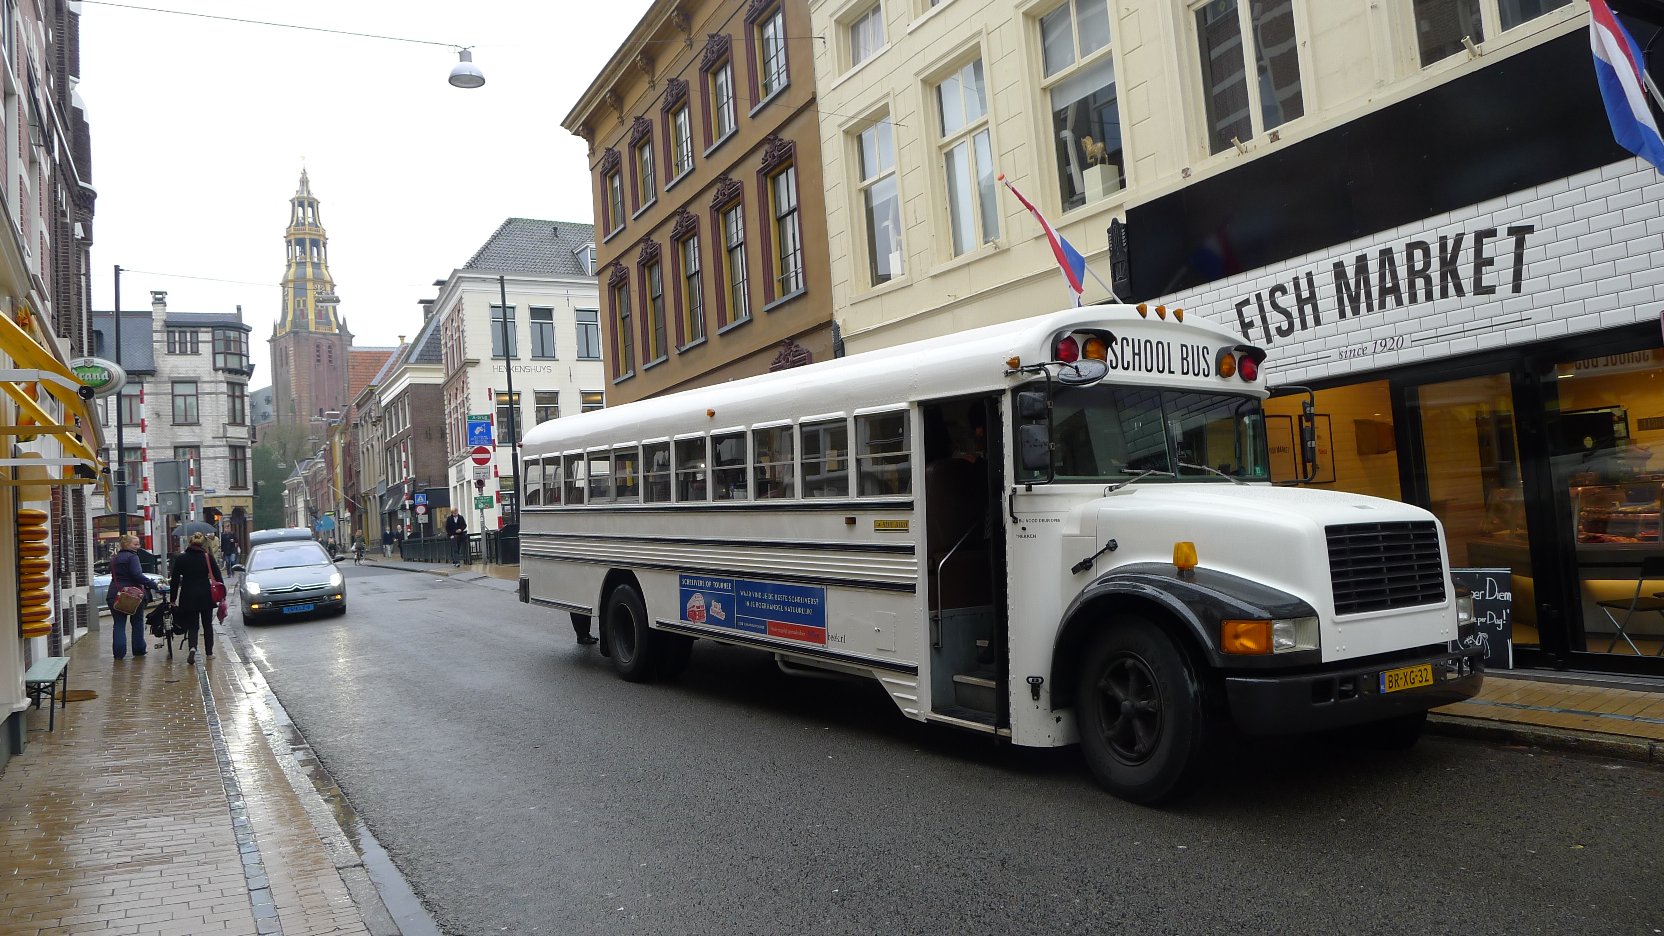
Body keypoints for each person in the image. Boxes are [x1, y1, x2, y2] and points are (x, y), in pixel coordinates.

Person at [169, 532, 223, 665]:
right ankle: (209, 653)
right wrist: (222, 595)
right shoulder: (207, 557)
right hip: (205, 594)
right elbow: (218, 576)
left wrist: (173, 599)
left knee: (192, 625)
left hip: (188, 596)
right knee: (207, 625)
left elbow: (174, 580)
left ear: (189, 543)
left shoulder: (181, 558)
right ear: (203, 543)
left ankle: (193, 647)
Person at [106, 534, 155, 660]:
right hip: (133, 596)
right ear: (127, 545)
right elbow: (137, 575)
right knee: (137, 622)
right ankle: (138, 649)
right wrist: (153, 584)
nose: (138, 546)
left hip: (115, 594)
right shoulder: (133, 557)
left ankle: (119, 653)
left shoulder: (114, 558)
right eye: (136, 544)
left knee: (119, 624)